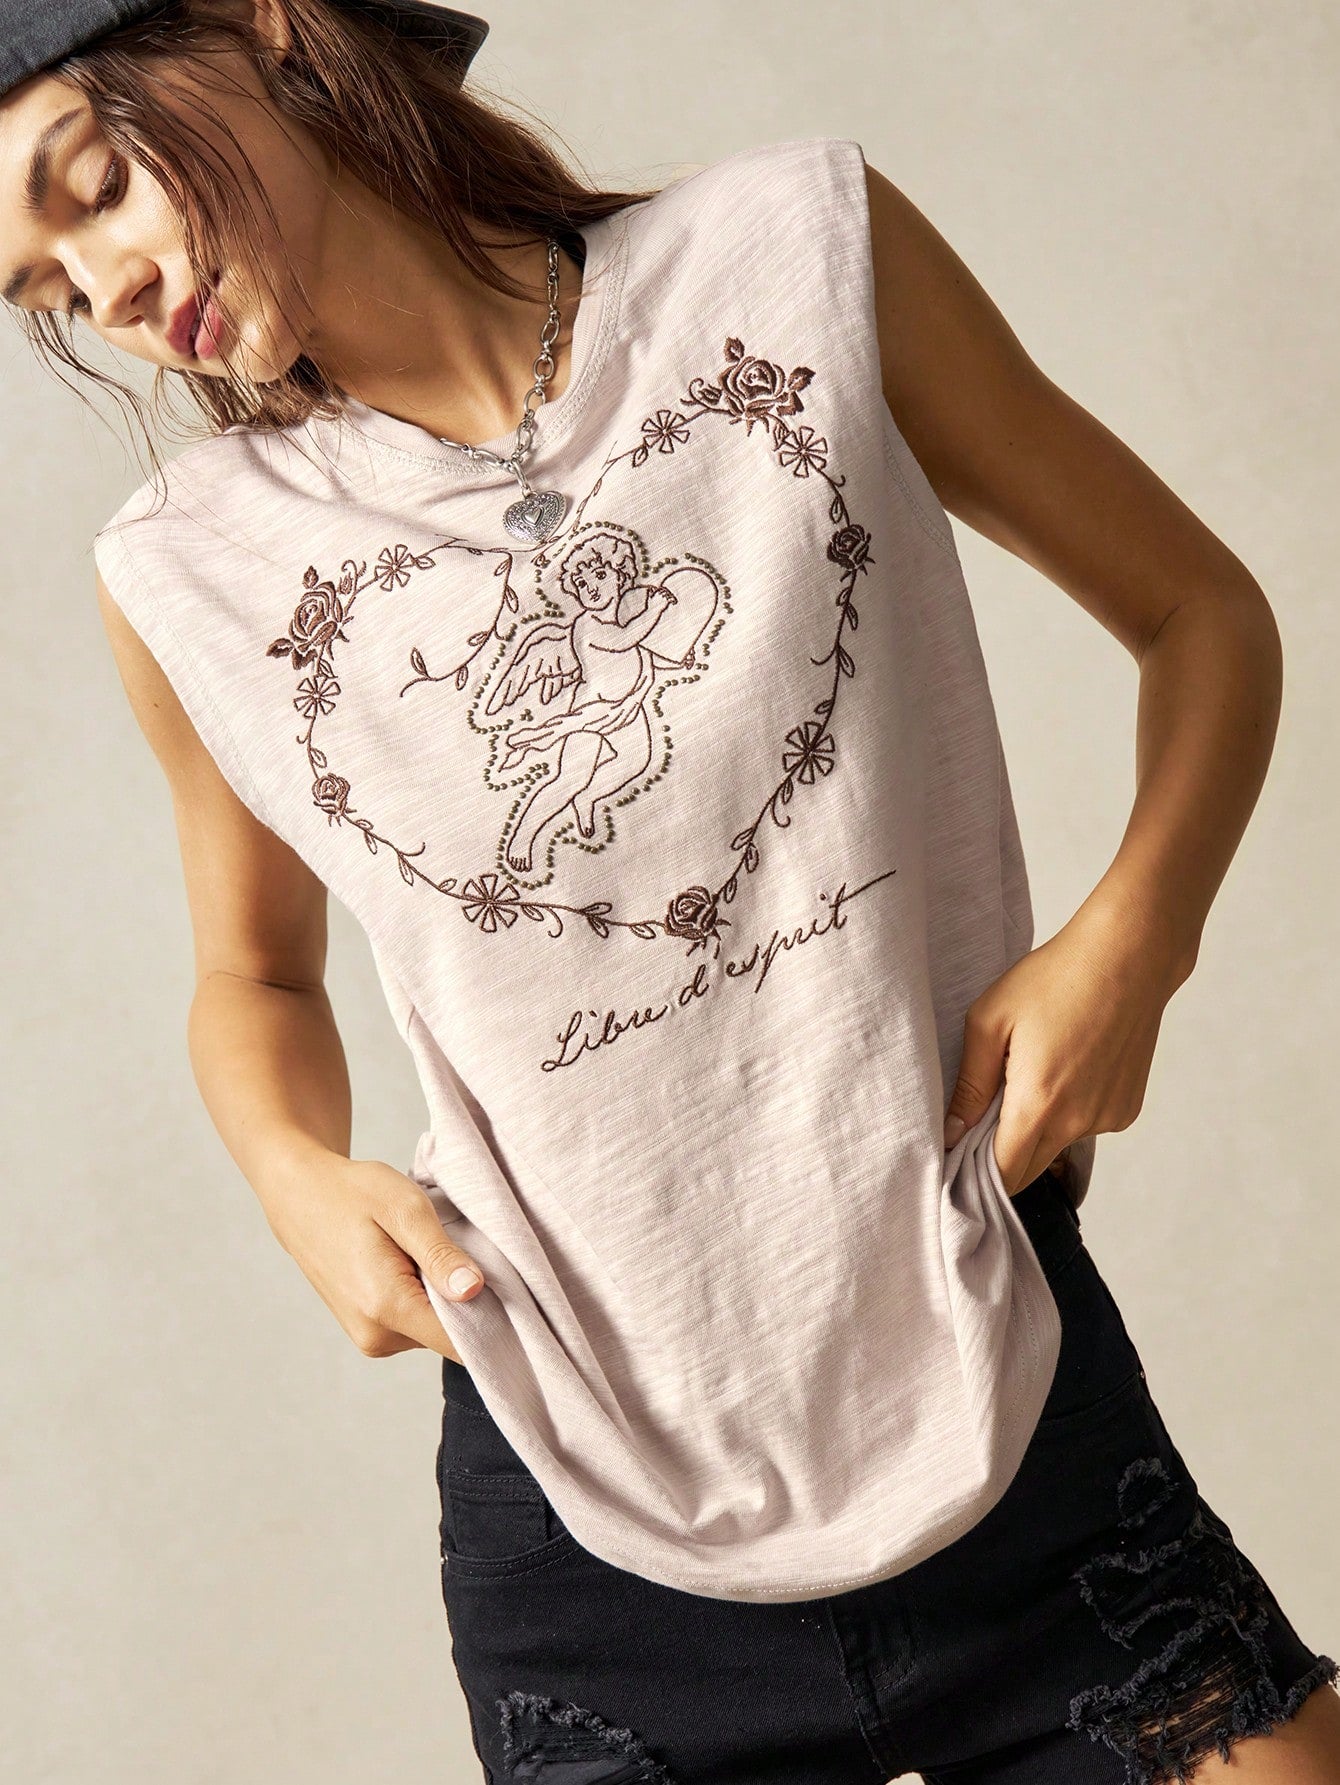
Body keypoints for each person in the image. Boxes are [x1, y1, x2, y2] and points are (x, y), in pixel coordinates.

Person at [4, 2, 1337, 1779]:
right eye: (39, 286)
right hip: (590, 1539)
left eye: (94, 188)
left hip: (1000, 1385)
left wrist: (1136, 938)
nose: (99, 287)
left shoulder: (797, 256)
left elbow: (1201, 615)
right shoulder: (190, 572)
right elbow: (254, 974)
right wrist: (294, 1176)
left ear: (273, 30)